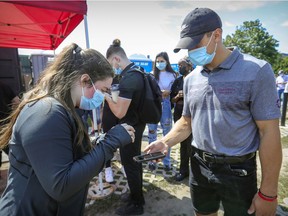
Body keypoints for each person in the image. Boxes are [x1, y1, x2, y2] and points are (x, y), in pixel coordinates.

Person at [144, 7, 282, 216]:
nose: (190, 53)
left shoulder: (257, 71)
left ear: (216, 35)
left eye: (195, 45)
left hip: (238, 170)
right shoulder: (191, 79)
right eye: (187, 48)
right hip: (199, 165)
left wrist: (268, 193)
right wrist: (166, 142)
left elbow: (269, 132)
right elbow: (186, 121)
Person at [0, 43, 135, 216]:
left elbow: (65, 153)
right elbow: (61, 185)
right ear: (85, 80)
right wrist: (109, 143)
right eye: (102, 90)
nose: (102, 96)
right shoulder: (47, 112)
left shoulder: (61, 108)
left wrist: (98, 142)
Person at [105, 39, 146, 215]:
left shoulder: (130, 77)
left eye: (110, 64)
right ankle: (136, 194)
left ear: (116, 59)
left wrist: (105, 96)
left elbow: (120, 112)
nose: (111, 68)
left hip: (131, 128)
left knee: (130, 164)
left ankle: (137, 204)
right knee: (136, 163)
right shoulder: (137, 71)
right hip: (137, 124)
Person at [147, 52, 177, 171]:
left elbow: (175, 91)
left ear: (167, 61)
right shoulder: (151, 75)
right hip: (153, 105)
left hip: (166, 104)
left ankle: (167, 162)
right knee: (152, 134)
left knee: (167, 134)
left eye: (162, 61)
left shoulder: (173, 75)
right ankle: (152, 161)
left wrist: (169, 93)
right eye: (157, 61)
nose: (159, 63)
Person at [170, 57, 193, 181]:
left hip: (193, 116)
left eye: (182, 65)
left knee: (194, 144)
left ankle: (196, 171)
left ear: (189, 66)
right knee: (183, 144)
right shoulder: (178, 80)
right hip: (179, 115)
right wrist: (177, 97)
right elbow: (171, 99)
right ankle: (183, 171)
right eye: (178, 65)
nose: (179, 67)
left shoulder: (196, 78)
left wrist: (187, 96)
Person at [0, 81, 20, 175]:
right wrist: (12, 115)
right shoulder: (4, 85)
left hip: (5, 126)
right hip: (5, 125)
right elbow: (17, 101)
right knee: (14, 152)